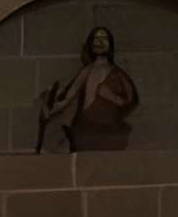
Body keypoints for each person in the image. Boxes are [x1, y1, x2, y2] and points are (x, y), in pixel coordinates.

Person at [36, 23, 139, 151]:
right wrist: (51, 111)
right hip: (86, 126)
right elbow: (68, 98)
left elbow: (130, 100)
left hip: (108, 127)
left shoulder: (118, 73)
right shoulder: (87, 71)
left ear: (110, 44)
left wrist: (111, 96)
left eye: (104, 39)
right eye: (96, 39)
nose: (100, 42)